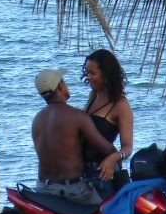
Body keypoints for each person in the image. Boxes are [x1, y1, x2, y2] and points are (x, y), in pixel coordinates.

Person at [31, 67, 118, 204]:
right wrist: (116, 157)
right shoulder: (76, 116)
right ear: (60, 86)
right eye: (64, 82)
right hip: (72, 190)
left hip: (43, 188)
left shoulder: (38, 119)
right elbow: (107, 149)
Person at [80, 49, 134, 197]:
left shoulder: (120, 104)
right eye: (87, 72)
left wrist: (113, 158)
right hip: (82, 173)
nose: (88, 77)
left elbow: (128, 147)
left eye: (93, 73)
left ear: (106, 74)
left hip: (102, 175)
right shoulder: (93, 96)